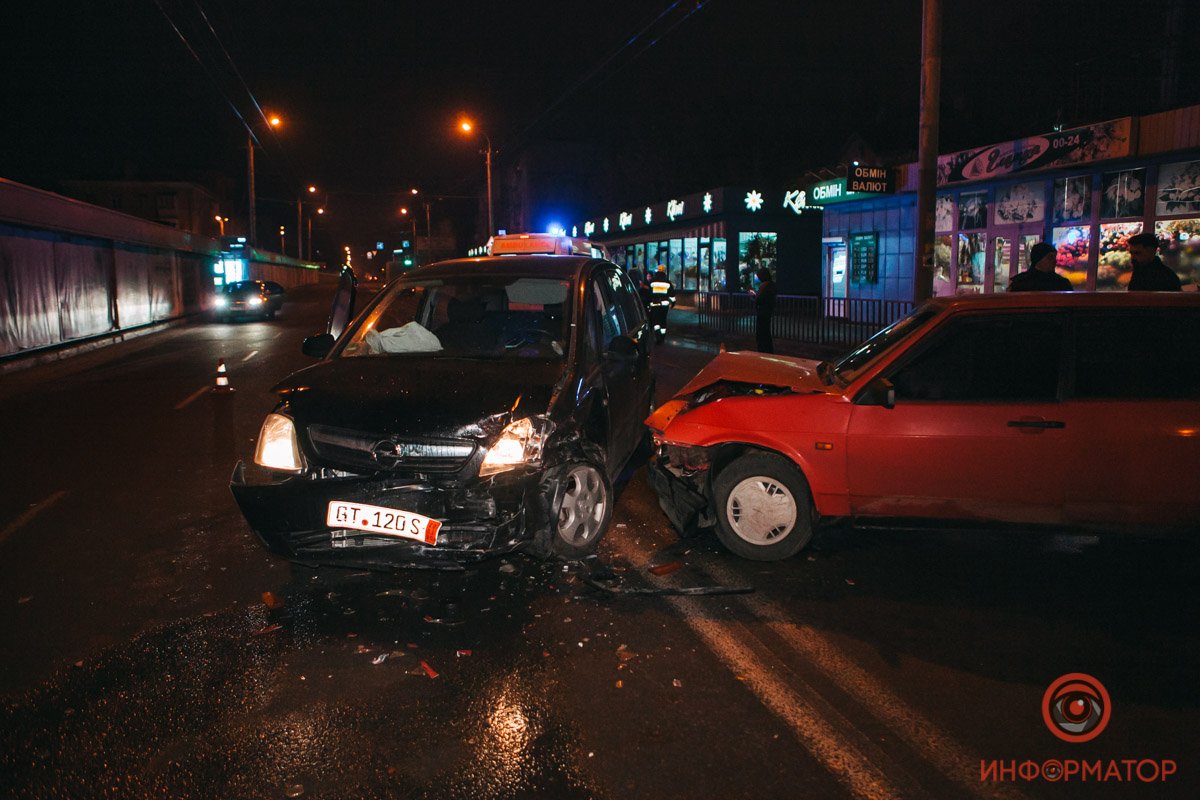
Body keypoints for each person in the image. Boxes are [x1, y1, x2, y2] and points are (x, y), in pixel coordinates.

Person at [647, 265, 675, 343]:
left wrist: (648, 303)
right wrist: (673, 303)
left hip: (655, 304)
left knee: (656, 321)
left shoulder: (652, 281)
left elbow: (649, 293)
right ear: (664, 271)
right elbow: (672, 294)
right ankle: (662, 337)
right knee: (663, 320)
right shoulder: (667, 281)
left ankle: (657, 336)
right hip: (664, 305)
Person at [753, 267, 776, 353]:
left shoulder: (764, 286)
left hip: (762, 313)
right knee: (766, 333)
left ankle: (763, 351)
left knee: (761, 333)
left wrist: (754, 297)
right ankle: (768, 351)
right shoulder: (771, 285)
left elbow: (759, 299)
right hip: (767, 312)